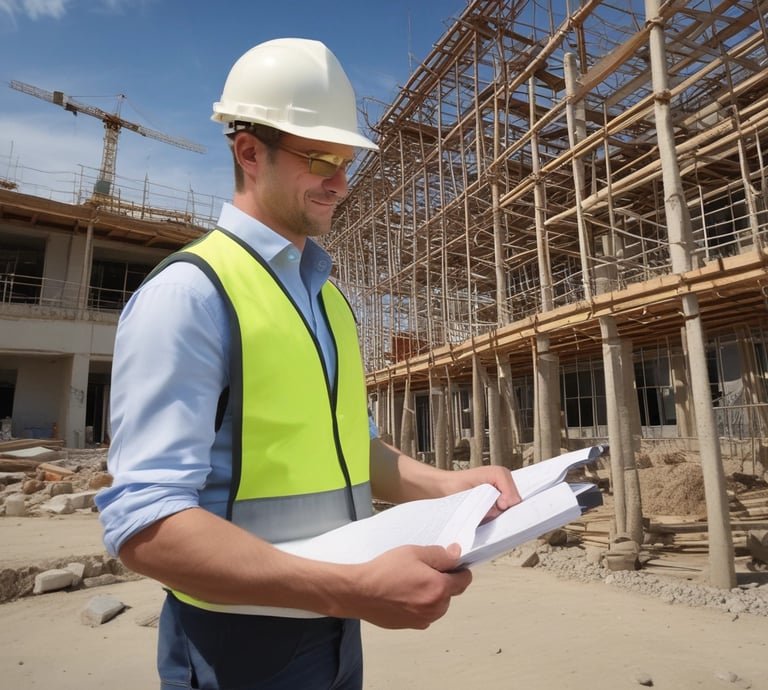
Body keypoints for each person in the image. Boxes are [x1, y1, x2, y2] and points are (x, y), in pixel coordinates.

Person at [96, 37, 520, 690]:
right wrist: (349, 589)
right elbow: (144, 525)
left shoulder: (328, 301)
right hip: (235, 645)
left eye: (346, 159)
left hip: (331, 625)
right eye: (321, 157)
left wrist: (449, 484)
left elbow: (353, 447)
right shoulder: (190, 295)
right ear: (247, 151)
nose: (343, 182)